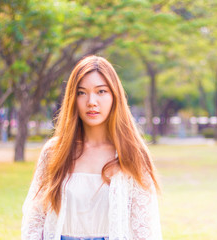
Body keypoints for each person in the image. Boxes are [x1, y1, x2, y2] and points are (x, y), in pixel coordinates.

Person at [21, 55, 162, 240]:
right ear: (73, 98)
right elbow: (35, 218)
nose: (91, 102)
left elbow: (145, 231)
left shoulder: (131, 154)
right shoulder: (54, 152)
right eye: (81, 93)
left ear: (114, 96)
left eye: (101, 91)